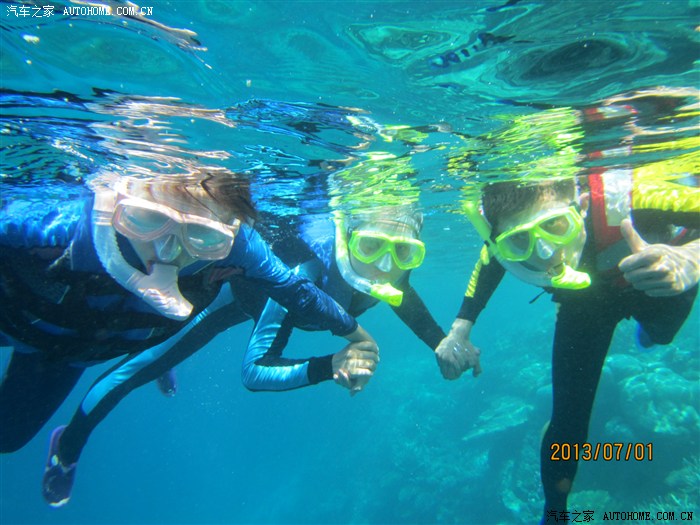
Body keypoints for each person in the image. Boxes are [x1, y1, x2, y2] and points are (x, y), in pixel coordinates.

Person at [0, 174, 377, 507]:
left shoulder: (240, 247)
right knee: (139, 364)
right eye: (148, 219)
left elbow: (297, 293)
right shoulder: (62, 227)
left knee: (8, 437)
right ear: (122, 200)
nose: (167, 251)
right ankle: (69, 449)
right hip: (16, 322)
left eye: (202, 236)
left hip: (70, 354)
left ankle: (150, 347)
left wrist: (358, 336)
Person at [436, 172, 699, 520]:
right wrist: (459, 331)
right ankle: (554, 514)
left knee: (661, 336)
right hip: (585, 305)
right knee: (568, 420)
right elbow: (491, 261)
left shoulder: (629, 196)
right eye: (520, 240)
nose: (547, 253)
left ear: (583, 204)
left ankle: (649, 334)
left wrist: (691, 258)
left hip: (659, 278)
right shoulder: (501, 238)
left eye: (555, 226)